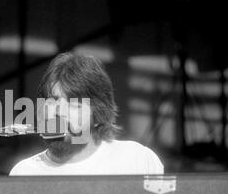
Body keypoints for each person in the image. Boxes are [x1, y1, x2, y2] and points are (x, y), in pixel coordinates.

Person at [10, 52, 164, 176]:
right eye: (52, 101)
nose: (59, 112)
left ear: (97, 116)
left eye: (74, 104)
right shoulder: (24, 173)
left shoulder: (137, 160)